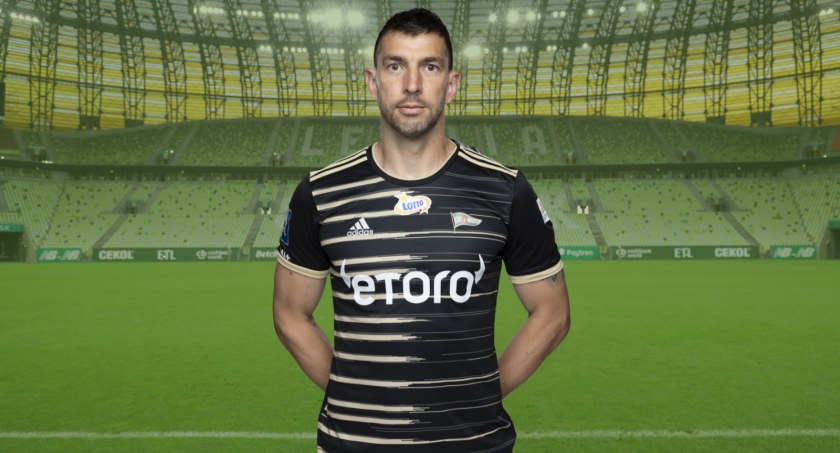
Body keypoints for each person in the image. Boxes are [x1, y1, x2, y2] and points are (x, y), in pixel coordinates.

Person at [273, 8, 570, 452]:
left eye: (429, 67)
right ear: (373, 81)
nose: (412, 84)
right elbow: (289, 313)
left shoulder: (505, 190)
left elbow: (553, 313)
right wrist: (350, 393)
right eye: (396, 66)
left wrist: (482, 395)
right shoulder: (321, 192)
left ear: (451, 84)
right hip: (352, 443)